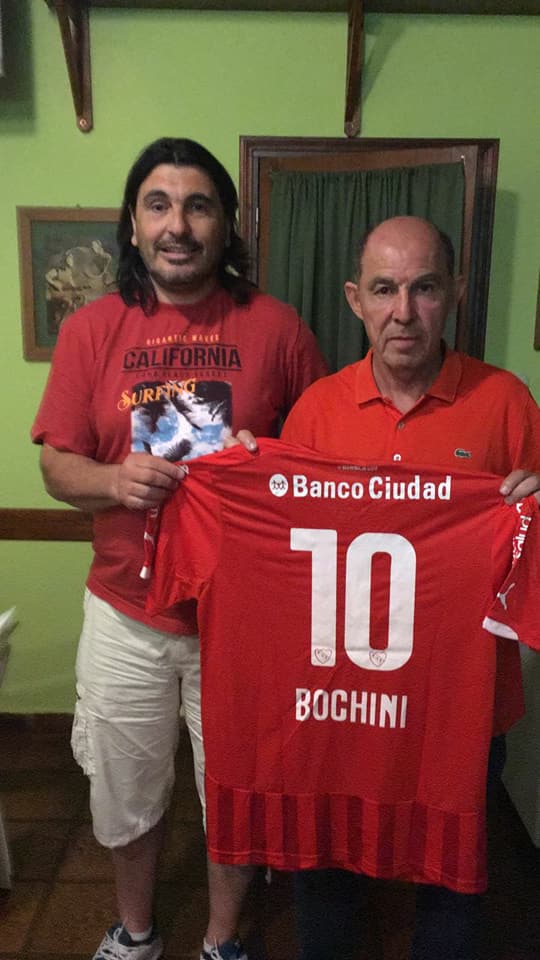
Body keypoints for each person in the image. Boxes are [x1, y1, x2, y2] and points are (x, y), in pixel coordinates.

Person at [31, 137, 327, 960]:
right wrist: (113, 480)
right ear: (133, 225)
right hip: (125, 612)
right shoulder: (91, 329)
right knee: (124, 791)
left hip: (244, 618)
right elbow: (55, 465)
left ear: (225, 222)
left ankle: (223, 939)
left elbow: (323, 460)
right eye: (158, 205)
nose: (178, 225)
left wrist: (266, 460)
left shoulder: (277, 326)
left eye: (198, 206)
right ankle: (134, 931)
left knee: (236, 793)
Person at [236, 215, 540, 960]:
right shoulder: (316, 410)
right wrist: (241, 480)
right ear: (355, 299)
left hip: (459, 706)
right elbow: (281, 554)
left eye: (424, 288)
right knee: (326, 867)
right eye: (384, 289)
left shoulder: (506, 403)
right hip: (342, 699)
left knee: (452, 880)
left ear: (455, 293)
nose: (404, 312)